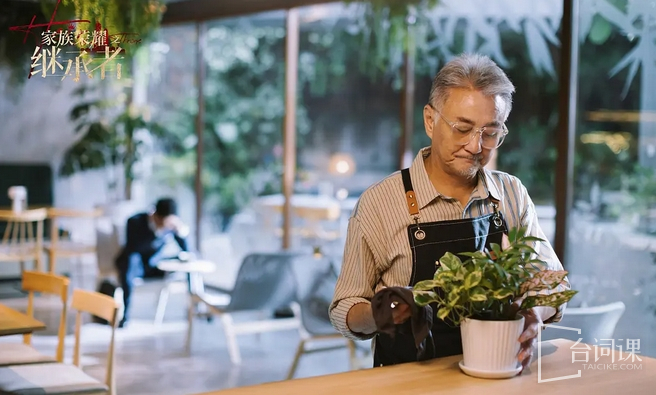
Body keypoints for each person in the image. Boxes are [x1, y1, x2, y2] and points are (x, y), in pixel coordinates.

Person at [329, 53, 570, 370]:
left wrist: (534, 313)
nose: (475, 145)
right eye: (462, 128)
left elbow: (554, 285)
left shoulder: (512, 194)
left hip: (494, 378)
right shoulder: (379, 203)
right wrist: (377, 313)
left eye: (490, 132)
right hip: (406, 387)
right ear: (430, 120)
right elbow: (344, 307)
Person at [114, 197, 190, 327]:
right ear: (157, 215)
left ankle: (196, 309)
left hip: (153, 266)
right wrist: (156, 232)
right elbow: (134, 247)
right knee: (129, 263)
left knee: (186, 262)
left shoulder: (170, 227)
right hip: (134, 266)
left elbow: (187, 250)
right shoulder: (134, 221)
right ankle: (125, 316)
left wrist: (180, 231)